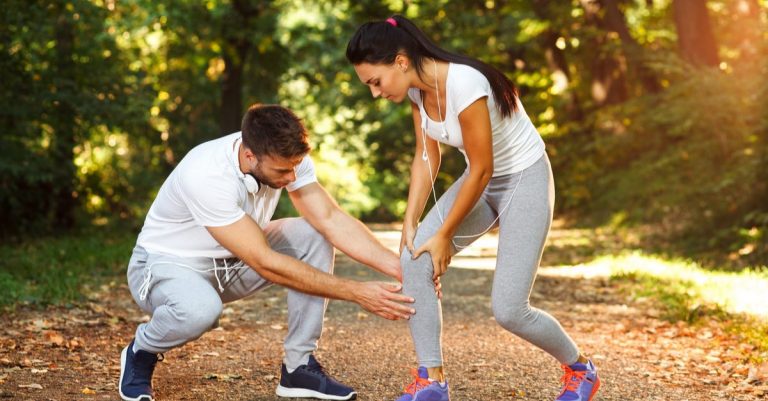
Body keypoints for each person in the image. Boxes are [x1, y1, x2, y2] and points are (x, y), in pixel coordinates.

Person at [345, 15, 601, 401]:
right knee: (413, 259)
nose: (375, 93)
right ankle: (432, 382)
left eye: (375, 82)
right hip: (481, 182)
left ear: (400, 61)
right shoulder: (417, 91)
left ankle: (581, 369)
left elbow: (483, 168)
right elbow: (425, 157)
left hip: (523, 179)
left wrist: (444, 235)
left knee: (510, 310)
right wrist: (410, 223)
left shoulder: (465, 83)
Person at [118, 104, 417, 401]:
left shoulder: (286, 157)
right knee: (201, 310)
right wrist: (357, 292)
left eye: (295, 167)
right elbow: (265, 262)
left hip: (231, 262)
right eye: (283, 170)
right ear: (250, 156)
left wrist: (400, 267)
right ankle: (142, 350)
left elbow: (329, 218)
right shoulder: (206, 173)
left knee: (314, 233)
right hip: (165, 265)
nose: (291, 177)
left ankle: (298, 367)